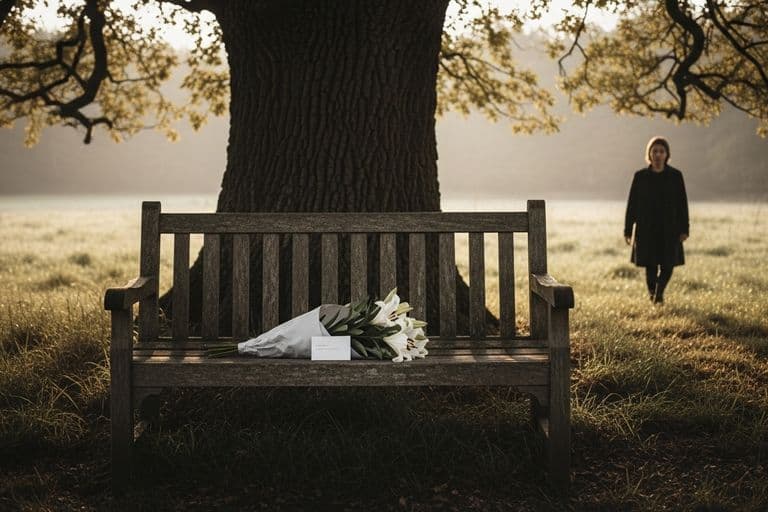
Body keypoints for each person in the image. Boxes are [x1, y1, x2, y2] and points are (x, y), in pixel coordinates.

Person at [624, 136, 689, 304]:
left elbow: (682, 204)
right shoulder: (640, 177)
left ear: (667, 154)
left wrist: (685, 229)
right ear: (649, 154)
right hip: (646, 229)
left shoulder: (676, 176)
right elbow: (632, 204)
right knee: (650, 265)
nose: (658, 154)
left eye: (661, 151)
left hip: (670, 228)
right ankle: (654, 296)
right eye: (655, 151)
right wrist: (628, 230)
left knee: (668, 264)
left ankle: (658, 294)